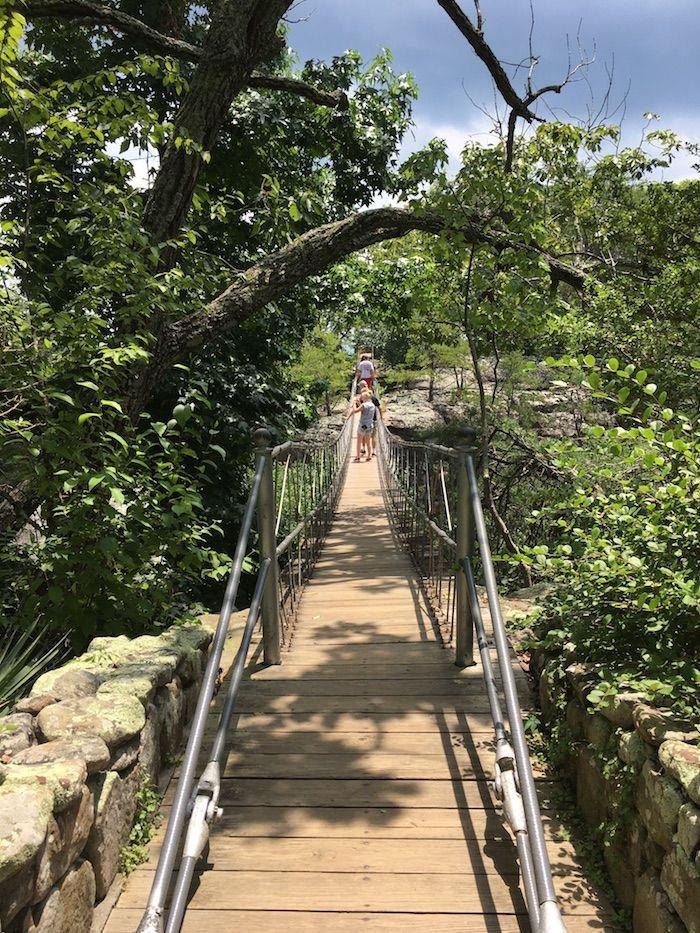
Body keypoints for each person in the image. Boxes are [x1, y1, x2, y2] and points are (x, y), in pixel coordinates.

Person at [347, 389, 376, 461]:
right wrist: (359, 403)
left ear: (365, 398)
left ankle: (357, 457)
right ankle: (369, 456)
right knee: (368, 442)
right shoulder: (372, 405)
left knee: (359, 442)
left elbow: (355, 411)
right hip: (370, 425)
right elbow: (364, 410)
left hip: (362, 425)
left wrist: (354, 404)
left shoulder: (363, 405)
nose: (362, 399)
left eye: (362, 398)